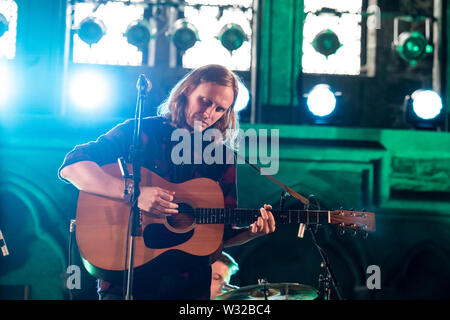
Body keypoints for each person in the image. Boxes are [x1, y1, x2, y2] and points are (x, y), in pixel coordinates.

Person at [58, 64, 276, 300]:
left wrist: (251, 233)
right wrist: (134, 193)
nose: (209, 112)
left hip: (189, 288)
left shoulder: (221, 158)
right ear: (187, 89)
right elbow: (72, 166)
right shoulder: (141, 131)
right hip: (126, 284)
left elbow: (220, 231)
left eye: (220, 109)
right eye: (205, 101)